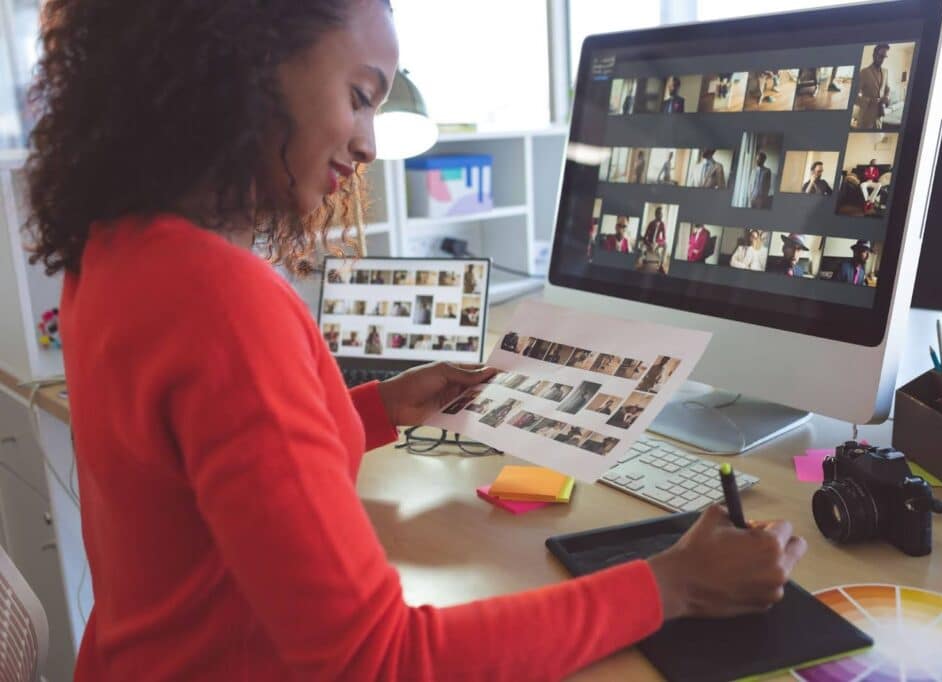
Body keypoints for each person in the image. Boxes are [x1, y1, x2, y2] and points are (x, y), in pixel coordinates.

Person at [28, 0, 806, 678]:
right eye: (360, 96)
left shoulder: (115, 250)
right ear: (248, 63)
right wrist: (672, 586)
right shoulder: (223, 302)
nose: (368, 142)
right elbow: (381, 660)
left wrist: (378, 409)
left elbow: (204, 483)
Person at [855, 44, 891, 129]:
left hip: (879, 116)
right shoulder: (864, 72)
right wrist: (869, 101)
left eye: (884, 57)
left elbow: (887, 89)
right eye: (880, 56)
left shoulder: (885, 72)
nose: (882, 59)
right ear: (874, 55)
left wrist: (887, 97)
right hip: (866, 117)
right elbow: (853, 96)